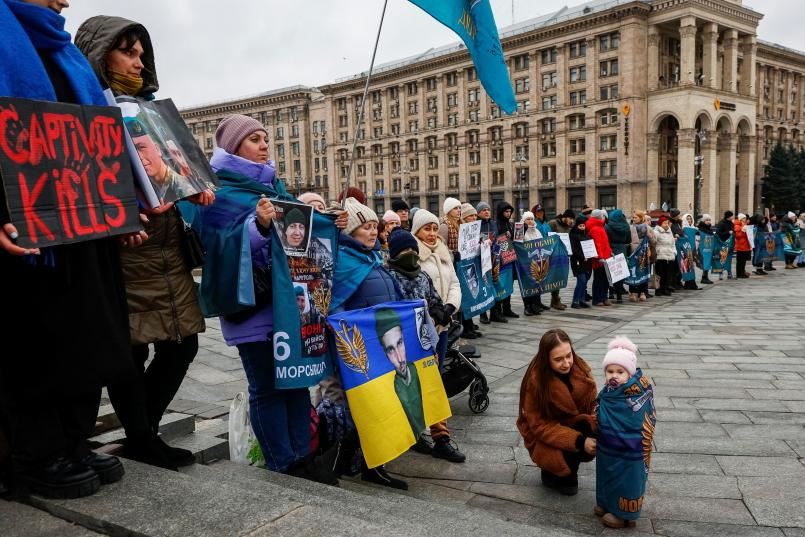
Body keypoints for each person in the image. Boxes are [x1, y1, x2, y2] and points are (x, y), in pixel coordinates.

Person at [0, 0, 142, 499]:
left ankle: (71, 440)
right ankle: (33, 455)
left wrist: (125, 204)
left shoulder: (66, 52)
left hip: (83, 224)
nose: (64, 1)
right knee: (37, 338)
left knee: (87, 333)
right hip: (24, 225)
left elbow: (96, 136)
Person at [76, 16, 216, 470]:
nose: (138, 62)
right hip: (123, 246)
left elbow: (171, 170)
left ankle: (143, 432)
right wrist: (114, 214)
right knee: (131, 349)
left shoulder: (150, 111)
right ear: (101, 55)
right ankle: (141, 436)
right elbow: (79, 176)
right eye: (128, 52)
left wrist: (192, 183)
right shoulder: (84, 107)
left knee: (182, 342)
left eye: (141, 54)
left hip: (165, 242)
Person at [190, 114, 336, 484]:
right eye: (255, 139)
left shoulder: (276, 190)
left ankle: (305, 457)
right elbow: (216, 246)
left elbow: (301, 240)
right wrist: (258, 227)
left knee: (297, 384)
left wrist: (330, 223)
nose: (265, 145)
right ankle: (282, 463)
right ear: (234, 146)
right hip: (252, 310)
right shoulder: (219, 192)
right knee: (268, 388)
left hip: (290, 309)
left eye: (266, 138)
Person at [331, 197, 408, 490]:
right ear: (350, 232)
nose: (373, 232)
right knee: (367, 409)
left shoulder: (373, 258)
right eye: (365, 227)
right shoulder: (343, 263)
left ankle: (362, 463)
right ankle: (367, 465)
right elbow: (335, 306)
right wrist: (350, 343)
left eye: (375, 226)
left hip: (383, 347)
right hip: (362, 351)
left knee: (379, 407)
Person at [385, 228, 466, 462]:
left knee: (433, 389)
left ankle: (442, 439)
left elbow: (433, 299)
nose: (409, 254)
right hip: (401, 347)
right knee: (407, 391)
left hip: (425, 342)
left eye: (412, 249)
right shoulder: (388, 276)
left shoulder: (422, 276)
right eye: (404, 250)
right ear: (394, 253)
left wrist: (440, 310)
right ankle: (412, 433)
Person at [517, 329, 597, 496]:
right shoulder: (536, 382)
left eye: (569, 355)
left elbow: (592, 406)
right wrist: (580, 441)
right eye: (558, 359)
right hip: (544, 434)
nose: (567, 363)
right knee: (570, 442)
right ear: (546, 359)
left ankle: (568, 470)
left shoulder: (581, 370)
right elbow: (539, 426)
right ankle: (554, 469)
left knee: (589, 424)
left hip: (573, 426)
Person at [594, 336, 654, 529]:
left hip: (630, 446)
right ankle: (607, 502)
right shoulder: (609, 393)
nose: (614, 375)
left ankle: (624, 513)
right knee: (606, 471)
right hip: (608, 443)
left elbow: (640, 419)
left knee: (626, 475)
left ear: (630, 373)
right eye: (610, 371)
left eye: (620, 372)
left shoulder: (638, 393)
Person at [126, 118, 199, 202]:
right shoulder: (142, 190)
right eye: (131, 152)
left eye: (141, 147)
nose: (138, 157)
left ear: (157, 149)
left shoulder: (186, 189)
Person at [492, 201, 520, 320]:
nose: (508, 214)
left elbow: (514, 239)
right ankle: (496, 311)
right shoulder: (496, 224)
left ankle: (507, 308)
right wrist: (504, 236)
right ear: (500, 212)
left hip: (509, 258)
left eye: (510, 212)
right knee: (499, 285)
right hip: (499, 260)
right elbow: (494, 240)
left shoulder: (510, 224)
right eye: (506, 212)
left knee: (508, 284)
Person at [459, 203, 483, 337]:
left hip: (471, 265)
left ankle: (470, 325)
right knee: (466, 297)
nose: (474, 217)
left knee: (471, 294)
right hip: (462, 266)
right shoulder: (462, 229)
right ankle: (465, 327)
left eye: (475, 215)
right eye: (470, 216)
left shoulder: (473, 229)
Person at [531, 204, 558, 311]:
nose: (540, 213)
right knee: (536, 278)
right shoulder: (534, 224)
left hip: (546, 254)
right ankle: (535, 303)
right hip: (536, 254)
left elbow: (550, 237)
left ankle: (539, 302)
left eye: (542, 211)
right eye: (538, 212)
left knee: (541, 279)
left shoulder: (547, 224)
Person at [605, 209, 632, 303]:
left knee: (610, 272)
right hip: (622, 250)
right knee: (619, 272)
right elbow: (629, 240)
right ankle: (619, 296)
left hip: (611, 249)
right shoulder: (626, 226)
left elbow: (606, 239)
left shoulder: (607, 227)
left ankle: (611, 292)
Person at [587, 210, 613, 307]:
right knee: (599, 279)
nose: (604, 218)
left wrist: (610, 251)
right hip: (599, 259)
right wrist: (600, 257)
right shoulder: (595, 228)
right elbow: (597, 245)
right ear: (599, 217)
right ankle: (597, 299)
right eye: (602, 216)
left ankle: (604, 297)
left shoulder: (600, 226)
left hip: (606, 257)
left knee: (606, 279)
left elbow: (605, 243)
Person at [476, 202, 496, 325]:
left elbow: (497, 237)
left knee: (493, 284)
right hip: (481, 259)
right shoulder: (476, 225)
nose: (487, 212)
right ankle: (483, 314)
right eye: (484, 210)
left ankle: (494, 311)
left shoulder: (493, 224)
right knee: (483, 285)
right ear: (478, 213)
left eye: (488, 209)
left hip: (493, 258)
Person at [569, 215, 592, 309]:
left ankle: (581, 300)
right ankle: (575, 301)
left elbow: (590, 246)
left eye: (584, 225)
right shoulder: (573, 235)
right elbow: (574, 249)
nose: (582, 227)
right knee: (581, 280)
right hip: (578, 261)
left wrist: (591, 254)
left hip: (587, 261)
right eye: (580, 226)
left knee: (585, 280)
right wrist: (582, 257)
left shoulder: (586, 234)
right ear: (577, 226)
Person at [654, 216, 677, 295]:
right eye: (664, 223)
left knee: (668, 274)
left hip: (670, 256)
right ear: (660, 224)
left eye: (667, 223)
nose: (666, 225)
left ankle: (666, 288)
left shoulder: (670, 232)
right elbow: (654, 243)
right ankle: (659, 289)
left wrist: (674, 252)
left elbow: (673, 244)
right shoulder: (656, 232)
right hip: (660, 256)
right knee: (660, 274)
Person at [716, 211, 735, 280]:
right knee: (722, 259)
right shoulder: (721, 223)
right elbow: (718, 233)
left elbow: (733, 231)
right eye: (731, 216)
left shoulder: (731, 223)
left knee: (729, 259)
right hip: (723, 243)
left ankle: (729, 273)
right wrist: (728, 232)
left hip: (730, 244)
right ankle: (720, 274)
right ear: (728, 216)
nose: (732, 217)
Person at [697, 214, 715, 284]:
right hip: (703, 249)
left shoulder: (709, 229)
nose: (708, 222)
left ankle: (705, 277)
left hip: (709, 249)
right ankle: (704, 278)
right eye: (706, 220)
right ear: (703, 221)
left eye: (709, 220)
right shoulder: (700, 229)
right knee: (705, 263)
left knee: (707, 263)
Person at [734, 213, 752, 279]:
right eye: (744, 218)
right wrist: (743, 231)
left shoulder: (744, 224)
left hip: (745, 245)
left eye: (745, 218)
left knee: (743, 261)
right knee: (740, 261)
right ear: (740, 219)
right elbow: (737, 236)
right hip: (740, 246)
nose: (745, 219)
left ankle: (742, 272)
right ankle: (739, 274)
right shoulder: (737, 225)